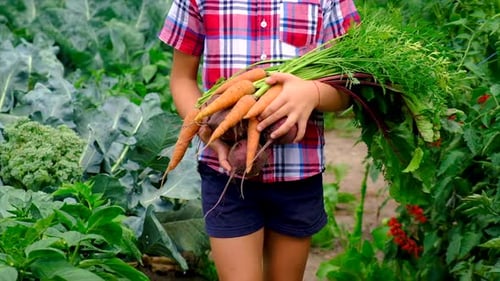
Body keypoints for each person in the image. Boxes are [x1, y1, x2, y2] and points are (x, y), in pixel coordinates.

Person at [159, 1, 360, 280]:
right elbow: (181, 78)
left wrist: (312, 93)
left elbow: (348, 89)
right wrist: (206, 130)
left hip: (297, 173)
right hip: (226, 170)